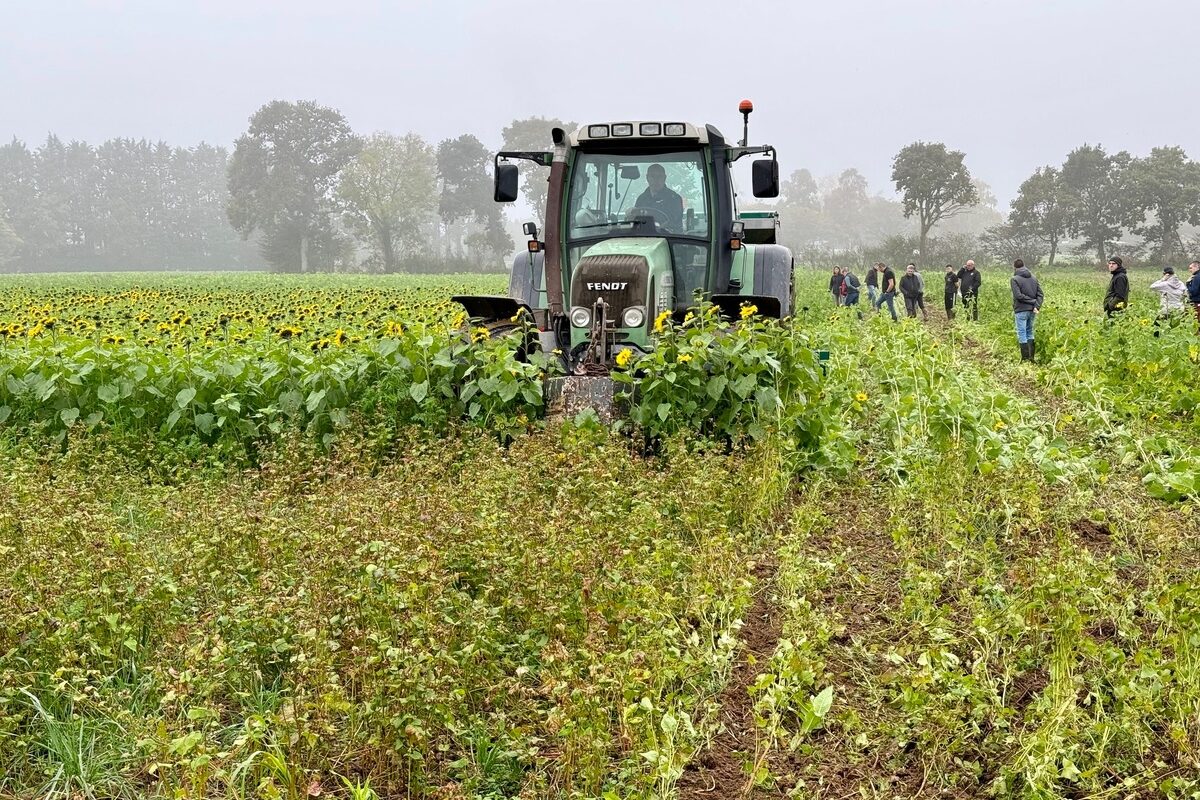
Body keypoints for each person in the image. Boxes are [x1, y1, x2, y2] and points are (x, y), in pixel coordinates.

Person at [1010, 258, 1044, 362]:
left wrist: (1032, 302)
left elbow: (1018, 296)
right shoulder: (1034, 278)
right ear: (1024, 265)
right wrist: (1036, 305)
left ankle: (1025, 359)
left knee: (1022, 333)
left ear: (1014, 267)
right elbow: (1041, 294)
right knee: (1030, 331)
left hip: (1021, 310)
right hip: (1032, 310)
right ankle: (1031, 358)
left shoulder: (1014, 279)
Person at [633, 164, 683, 230]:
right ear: (647, 178)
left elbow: (674, 222)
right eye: (652, 176)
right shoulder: (641, 199)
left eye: (659, 176)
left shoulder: (675, 199)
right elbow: (637, 222)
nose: (656, 180)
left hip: (669, 237)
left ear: (664, 178)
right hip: (645, 236)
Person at [1188, 261, 1200, 331]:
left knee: (1196, 322)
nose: (1190, 270)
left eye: (1191, 268)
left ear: (1196, 267)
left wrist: (1188, 284)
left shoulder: (1196, 277)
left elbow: (1193, 291)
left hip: (1197, 302)